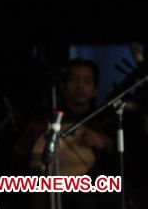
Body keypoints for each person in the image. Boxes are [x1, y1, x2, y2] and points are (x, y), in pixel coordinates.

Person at [14, 58, 117, 209]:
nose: (80, 86)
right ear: (63, 86)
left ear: (95, 89)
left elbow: (120, 160)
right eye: (74, 80)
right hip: (54, 191)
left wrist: (105, 143)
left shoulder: (101, 123)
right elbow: (19, 157)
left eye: (87, 81)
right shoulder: (43, 122)